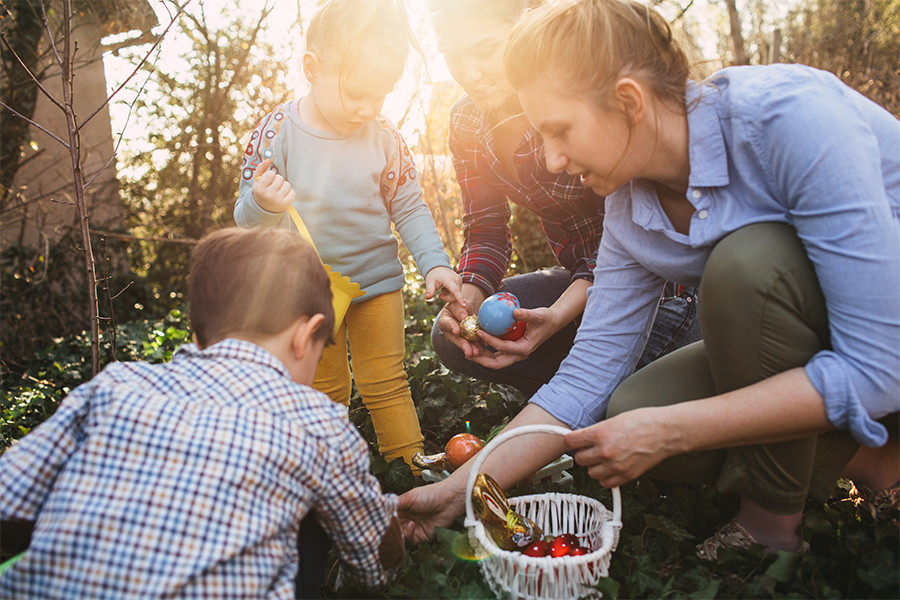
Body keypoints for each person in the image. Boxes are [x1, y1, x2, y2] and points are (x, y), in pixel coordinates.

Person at [399, 0, 900, 559]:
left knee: (746, 266)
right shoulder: (629, 207)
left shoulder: (788, 118)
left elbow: (880, 365)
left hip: (886, 339)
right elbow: (587, 376)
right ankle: (880, 460)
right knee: (633, 407)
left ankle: (770, 521)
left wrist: (677, 429)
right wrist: (459, 491)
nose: (552, 159)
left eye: (559, 131)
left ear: (629, 101)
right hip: (826, 345)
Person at [0, 227, 405, 598]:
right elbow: (371, 555)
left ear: (196, 334)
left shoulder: (117, 384)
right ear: (305, 336)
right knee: (316, 504)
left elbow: (8, 500)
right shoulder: (317, 420)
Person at [426, 0, 700, 397]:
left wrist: (556, 317)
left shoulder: (579, 102)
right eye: (452, 56)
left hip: (655, 286)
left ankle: (608, 389)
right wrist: (467, 302)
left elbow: (628, 236)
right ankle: (584, 393)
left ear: (526, 25)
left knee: (612, 393)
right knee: (445, 338)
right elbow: (485, 230)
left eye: (485, 50)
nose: (470, 74)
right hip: (580, 283)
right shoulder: (467, 123)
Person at [235, 0, 464, 470]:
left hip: (377, 285)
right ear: (313, 69)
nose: (367, 108)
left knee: (387, 380)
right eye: (357, 92)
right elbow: (245, 222)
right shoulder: (277, 132)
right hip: (308, 293)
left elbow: (408, 205)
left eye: (380, 95)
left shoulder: (384, 136)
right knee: (324, 389)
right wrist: (264, 202)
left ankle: (408, 469)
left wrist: (435, 262)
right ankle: (327, 477)